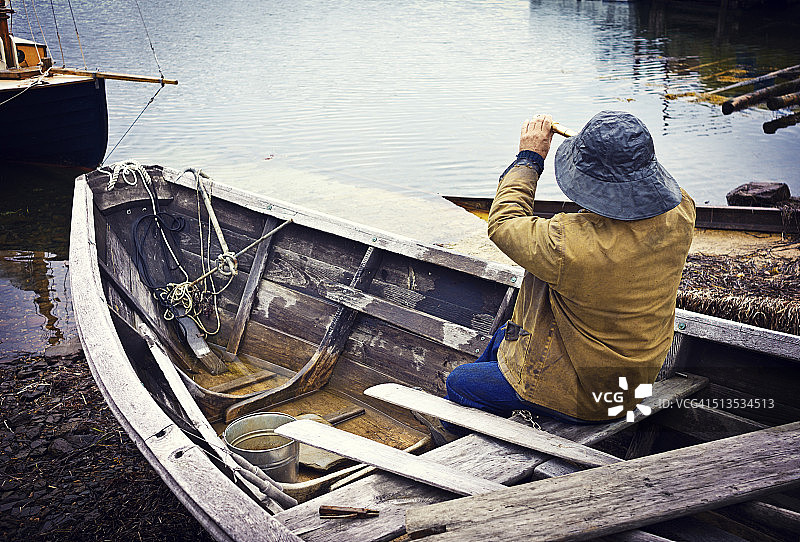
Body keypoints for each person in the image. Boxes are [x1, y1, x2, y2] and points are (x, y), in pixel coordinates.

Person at [429, 111, 696, 442]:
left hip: (588, 398)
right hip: (632, 383)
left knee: (460, 382)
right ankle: (501, 405)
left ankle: (455, 442)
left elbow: (503, 222)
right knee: (505, 337)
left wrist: (529, 158)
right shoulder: (682, 210)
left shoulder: (569, 243)